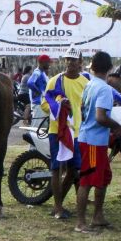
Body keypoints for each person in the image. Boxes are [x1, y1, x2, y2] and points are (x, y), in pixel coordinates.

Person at [74, 51, 121, 233]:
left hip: (91, 138)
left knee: (102, 177)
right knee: (87, 180)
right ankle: (80, 222)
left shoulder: (89, 85)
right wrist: (117, 126)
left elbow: (84, 109)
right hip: (93, 142)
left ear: (93, 67)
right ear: (110, 68)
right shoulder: (104, 89)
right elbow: (101, 117)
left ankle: (98, 216)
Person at [41, 47, 89, 220]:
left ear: (80, 62)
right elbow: (44, 104)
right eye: (68, 59)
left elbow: (87, 106)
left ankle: (59, 202)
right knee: (56, 168)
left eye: (73, 60)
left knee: (74, 169)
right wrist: (59, 107)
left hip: (77, 133)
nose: (70, 63)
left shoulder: (85, 83)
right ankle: (58, 207)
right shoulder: (55, 81)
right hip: (57, 131)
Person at [27, 55, 51, 125]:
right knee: (36, 127)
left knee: (43, 127)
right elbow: (30, 83)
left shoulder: (42, 73)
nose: (49, 64)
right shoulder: (37, 72)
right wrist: (39, 92)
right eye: (48, 62)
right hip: (38, 104)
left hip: (43, 104)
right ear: (42, 62)